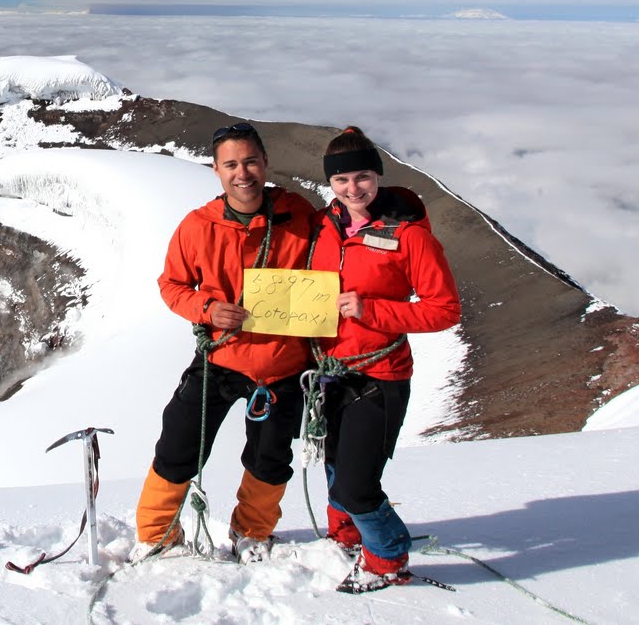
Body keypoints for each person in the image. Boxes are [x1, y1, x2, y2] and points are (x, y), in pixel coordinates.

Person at [134, 122, 318, 563]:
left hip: (282, 364)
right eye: (232, 164)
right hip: (220, 358)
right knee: (179, 441)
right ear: (216, 170)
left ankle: (253, 532)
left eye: (251, 161)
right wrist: (207, 309)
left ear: (265, 163)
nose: (243, 172)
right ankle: (157, 533)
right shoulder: (198, 227)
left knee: (269, 456)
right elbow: (171, 284)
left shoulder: (300, 213)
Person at [311, 126, 461, 583]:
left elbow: (444, 309)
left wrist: (371, 310)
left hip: (380, 373)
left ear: (378, 176)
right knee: (335, 461)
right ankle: (346, 536)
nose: (353, 189)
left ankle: (388, 557)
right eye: (342, 180)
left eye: (362, 177)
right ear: (330, 184)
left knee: (357, 484)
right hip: (329, 371)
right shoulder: (323, 227)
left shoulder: (410, 236)